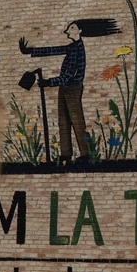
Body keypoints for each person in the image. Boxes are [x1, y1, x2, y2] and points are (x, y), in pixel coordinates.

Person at [18, 18, 119, 163]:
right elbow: (54, 50)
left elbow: (68, 75)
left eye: (71, 28)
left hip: (72, 88)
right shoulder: (73, 47)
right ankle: (65, 154)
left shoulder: (77, 49)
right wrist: (30, 51)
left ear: (79, 31)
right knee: (63, 121)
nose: (67, 30)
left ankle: (86, 154)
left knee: (76, 121)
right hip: (65, 87)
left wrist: (49, 82)